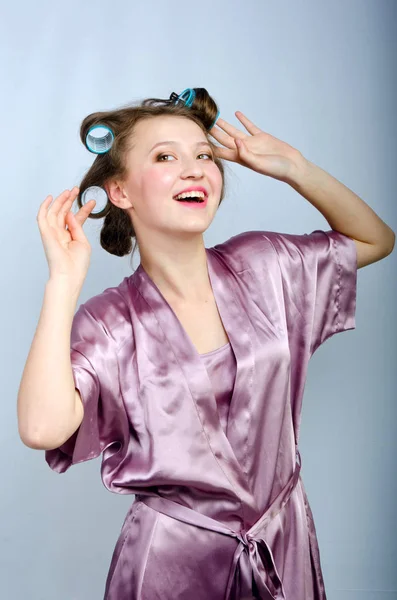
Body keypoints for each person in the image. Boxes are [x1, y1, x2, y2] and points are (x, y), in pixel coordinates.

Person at [17, 87, 395, 600]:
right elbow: (42, 428)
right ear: (120, 192)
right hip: (173, 564)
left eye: (204, 155)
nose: (195, 169)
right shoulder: (110, 322)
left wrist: (296, 168)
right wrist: (62, 282)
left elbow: (376, 240)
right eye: (165, 157)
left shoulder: (265, 265)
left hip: (282, 538)